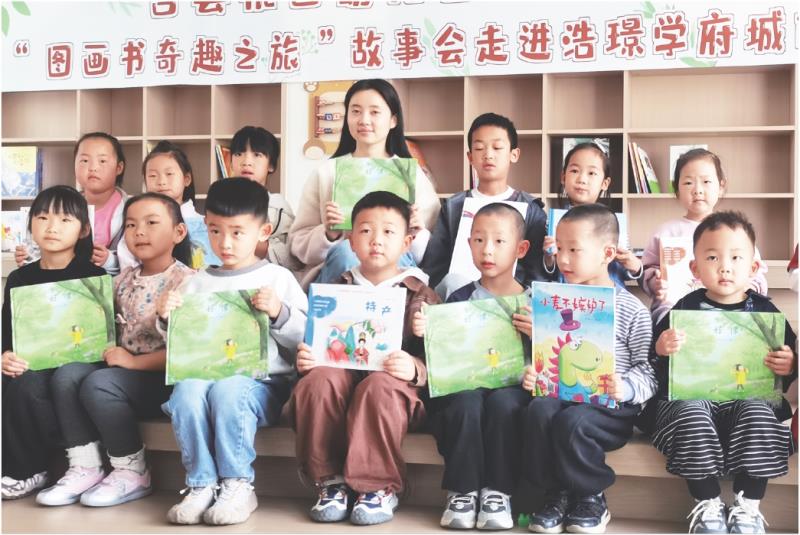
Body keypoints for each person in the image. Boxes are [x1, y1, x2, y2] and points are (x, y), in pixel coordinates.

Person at [156, 178, 308, 525]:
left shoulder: (278, 278)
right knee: (186, 392)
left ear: (263, 231)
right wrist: (166, 319)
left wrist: (279, 312)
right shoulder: (196, 282)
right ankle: (201, 483)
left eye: (238, 232)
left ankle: (238, 484)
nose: (224, 243)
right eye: (215, 231)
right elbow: (181, 346)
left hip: (262, 384)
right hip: (205, 377)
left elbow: (305, 339)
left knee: (229, 390)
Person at [34, 193, 194, 508]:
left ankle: (132, 470)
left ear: (179, 232)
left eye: (151, 223)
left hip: (162, 379)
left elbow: (188, 354)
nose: (139, 231)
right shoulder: (120, 281)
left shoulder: (188, 283)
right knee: (67, 376)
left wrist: (133, 363)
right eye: (131, 225)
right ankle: (85, 465)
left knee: (99, 383)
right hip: (122, 373)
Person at [289, 191, 439, 525]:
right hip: (341, 382)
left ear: (406, 242)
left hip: (394, 394)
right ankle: (330, 481)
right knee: (318, 380)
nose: (376, 240)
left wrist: (415, 367)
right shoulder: (333, 290)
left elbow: (442, 361)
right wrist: (308, 359)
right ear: (351, 241)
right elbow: (315, 345)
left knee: (379, 386)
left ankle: (378, 486)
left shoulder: (421, 294)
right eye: (366, 230)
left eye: (388, 231)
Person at [645, 211, 795, 534]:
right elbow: (655, 362)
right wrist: (661, 348)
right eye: (712, 257)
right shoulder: (684, 308)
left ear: (753, 268)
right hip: (696, 404)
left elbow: (787, 355)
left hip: (747, 403)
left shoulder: (764, 311)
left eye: (736, 257)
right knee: (689, 411)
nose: (725, 267)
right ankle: (707, 502)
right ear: (695, 268)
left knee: (760, 411)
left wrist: (789, 364)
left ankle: (748, 505)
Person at [522, 204, 657, 534]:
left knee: (574, 421)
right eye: (559, 249)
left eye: (574, 250)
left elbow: (649, 369)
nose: (563, 259)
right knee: (538, 410)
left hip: (611, 409)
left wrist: (625, 387)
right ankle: (555, 494)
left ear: (607, 253)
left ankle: (590, 495)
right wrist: (533, 372)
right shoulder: (554, 304)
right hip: (562, 394)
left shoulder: (631, 309)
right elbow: (547, 357)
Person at [414, 203, 534, 530]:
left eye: (499, 241)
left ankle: (498, 492)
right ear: (468, 245)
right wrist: (427, 332)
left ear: (521, 249)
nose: (487, 250)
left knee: (505, 403)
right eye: (479, 240)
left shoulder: (533, 304)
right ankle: (462, 491)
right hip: (466, 387)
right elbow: (445, 358)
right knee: (466, 403)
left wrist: (536, 334)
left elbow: (549, 358)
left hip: (514, 389)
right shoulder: (459, 298)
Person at [1, 186, 106, 500]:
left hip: (79, 364)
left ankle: (34, 468)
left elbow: (101, 335)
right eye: (43, 218)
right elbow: (7, 330)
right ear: (30, 224)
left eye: (64, 220)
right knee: (17, 379)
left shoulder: (94, 276)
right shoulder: (20, 279)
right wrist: (5, 355)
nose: (52, 227)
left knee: (44, 382)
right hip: (33, 362)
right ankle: (25, 469)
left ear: (83, 229)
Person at [288, 78, 440, 288]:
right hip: (339, 274)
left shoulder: (411, 175)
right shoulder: (327, 173)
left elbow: (434, 251)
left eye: (375, 112)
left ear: (393, 120)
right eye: (356, 111)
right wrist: (329, 234)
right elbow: (297, 243)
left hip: (396, 272)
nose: (364, 120)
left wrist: (416, 232)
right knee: (347, 253)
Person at [419, 112, 547, 299]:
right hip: (459, 301)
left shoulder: (530, 208)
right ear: (470, 157)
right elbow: (436, 264)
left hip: (512, 303)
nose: (488, 155)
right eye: (479, 148)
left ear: (514, 154)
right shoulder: (454, 206)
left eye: (497, 147)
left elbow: (537, 272)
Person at [640, 148, 768, 322]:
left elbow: (756, 273)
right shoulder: (665, 232)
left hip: (728, 312)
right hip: (676, 311)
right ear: (677, 190)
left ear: (721, 187)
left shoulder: (736, 231)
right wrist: (654, 283)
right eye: (688, 183)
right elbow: (647, 271)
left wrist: (747, 287)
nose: (697, 190)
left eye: (706, 181)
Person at [15, 132, 129, 275]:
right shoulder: (59, 204)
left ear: (119, 168)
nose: (93, 167)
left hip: (111, 284)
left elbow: (139, 260)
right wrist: (28, 258)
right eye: (84, 160)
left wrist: (110, 261)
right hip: (64, 282)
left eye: (102, 161)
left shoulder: (132, 209)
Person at [543, 142, 642, 288]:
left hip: (607, 296)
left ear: (605, 183)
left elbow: (621, 270)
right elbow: (551, 273)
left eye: (591, 173)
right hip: (569, 295)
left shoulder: (612, 222)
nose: (582, 179)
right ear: (563, 177)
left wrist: (635, 266)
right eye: (574, 171)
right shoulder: (552, 223)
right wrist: (549, 258)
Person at [118, 140, 208, 270]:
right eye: (152, 175)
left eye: (169, 174)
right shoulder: (136, 227)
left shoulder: (204, 225)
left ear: (186, 179)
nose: (161, 181)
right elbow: (129, 267)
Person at [229, 125, 304, 275]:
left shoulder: (277, 207)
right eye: (238, 154)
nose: (246, 161)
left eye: (257, 155)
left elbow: (295, 259)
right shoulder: (220, 202)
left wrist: (254, 244)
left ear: (271, 165)